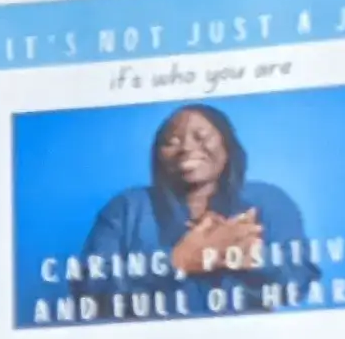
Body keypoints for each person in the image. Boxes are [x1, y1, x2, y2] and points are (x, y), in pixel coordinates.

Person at [68, 100, 307, 316]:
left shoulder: (269, 201)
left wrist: (252, 257)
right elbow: (88, 294)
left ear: (227, 145)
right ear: (157, 156)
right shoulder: (127, 209)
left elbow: (300, 284)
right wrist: (178, 261)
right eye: (171, 142)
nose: (186, 148)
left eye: (201, 137)